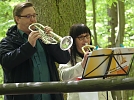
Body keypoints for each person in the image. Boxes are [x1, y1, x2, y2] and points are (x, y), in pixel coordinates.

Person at [0, 2, 70, 100]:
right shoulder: (7, 41)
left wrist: (50, 41)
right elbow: (6, 62)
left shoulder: (43, 39)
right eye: (28, 16)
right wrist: (28, 46)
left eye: (34, 15)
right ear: (17, 19)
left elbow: (64, 58)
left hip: (50, 96)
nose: (33, 20)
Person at [58, 24, 99, 100]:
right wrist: (81, 65)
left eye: (87, 36)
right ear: (74, 40)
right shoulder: (66, 57)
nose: (85, 40)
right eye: (81, 37)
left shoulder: (97, 54)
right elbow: (64, 76)